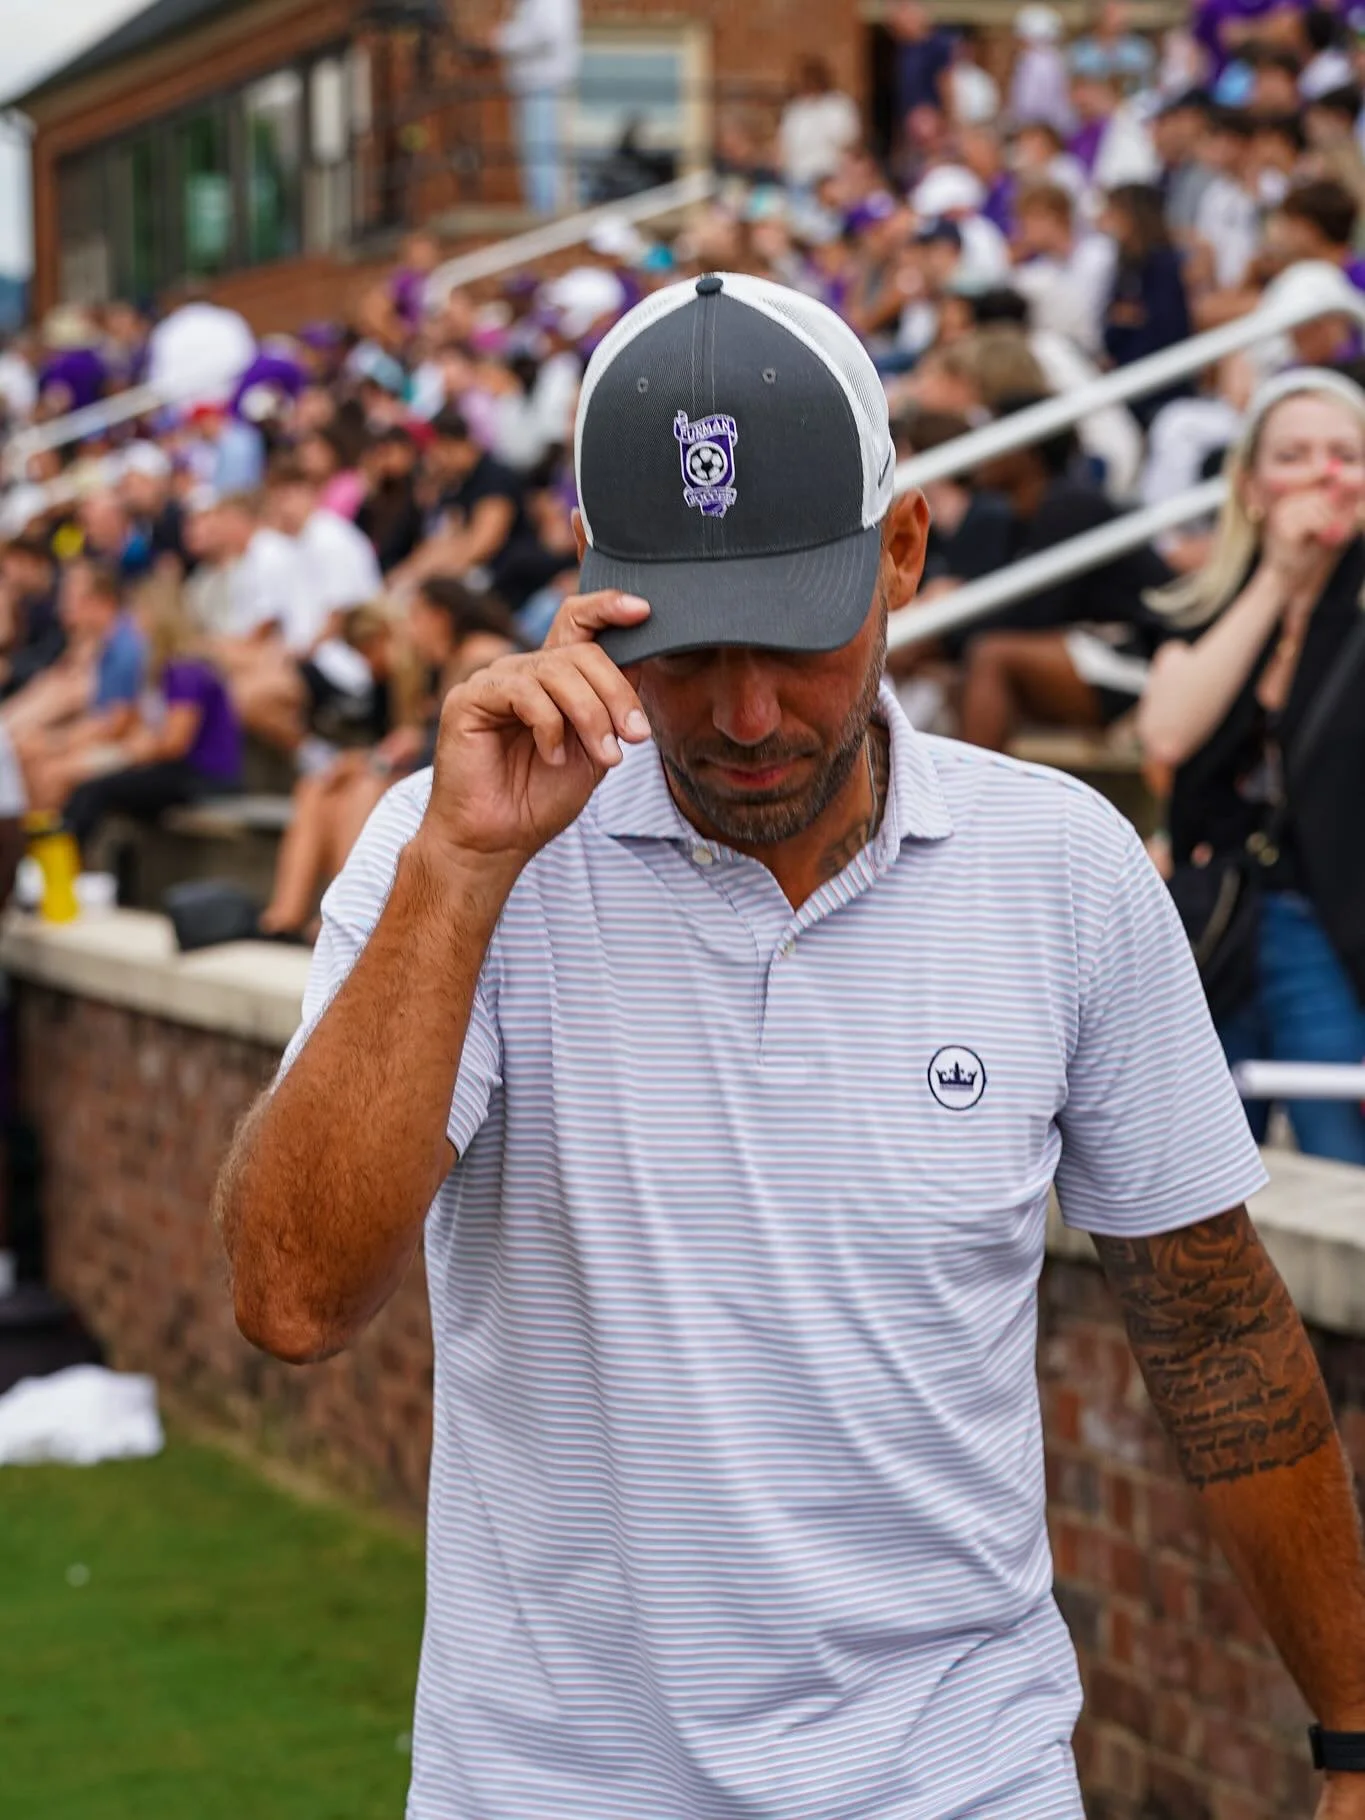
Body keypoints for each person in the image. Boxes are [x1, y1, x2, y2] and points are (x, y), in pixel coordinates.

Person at [219, 273, 1365, 1820]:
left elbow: (1218, 1335)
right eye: (682, 650)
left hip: (961, 1782)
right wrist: (458, 876)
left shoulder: (1060, 867)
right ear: (594, 582)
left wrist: (1353, 1725)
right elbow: (290, 1297)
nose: (748, 712)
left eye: (797, 635)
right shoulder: (453, 858)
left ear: (903, 551)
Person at [1139, 369, 1365, 1164]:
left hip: (1329, 933)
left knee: (1335, 1159)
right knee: (1197, 1167)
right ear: (1249, 486)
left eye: (1343, 454)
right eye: (1292, 455)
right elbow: (1165, 734)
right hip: (1217, 925)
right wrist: (1277, 578)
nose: (1320, 473)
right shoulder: (1212, 610)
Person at [258, 584, 522, 940]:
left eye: (416, 615)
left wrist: (381, 759)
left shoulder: (481, 657)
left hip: (474, 786)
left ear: (440, 616)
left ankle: (349, 918)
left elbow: (460, 746)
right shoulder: (438, 663)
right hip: (434, 774)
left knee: (365, 789)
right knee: (319, 787)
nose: (410, 627)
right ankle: (287, 914)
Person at [62, 575, 242, 851]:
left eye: (138, 612)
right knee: (94, 785)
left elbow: (175, 742)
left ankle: (65, 866)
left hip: (204, 776)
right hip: (181, 770)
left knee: (94, 790)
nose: (133, 621)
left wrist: (127, 754)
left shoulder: (187, 670)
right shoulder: (163, 669)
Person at [1101, 182, 1194, 425]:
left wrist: (1131, 317)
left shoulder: (1163, 265)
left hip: (1161, 385)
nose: (1108, 220)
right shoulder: (1124, 267)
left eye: (1116, 212)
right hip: (1127, 381)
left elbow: (1166, 327)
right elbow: (1111, 327)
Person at [494, 0, 582, 215]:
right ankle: (540, 211)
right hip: (534, 87)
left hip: (544, 86)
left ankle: (545, 216)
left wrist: (504, 38)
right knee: (536, 157)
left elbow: (548, 34)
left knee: (543, 157)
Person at [777, 56, 861, 192]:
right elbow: (784, 148)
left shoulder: (839, 106)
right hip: (798, 180)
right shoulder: (794, 110)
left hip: (830, 180)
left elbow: (850, 143)